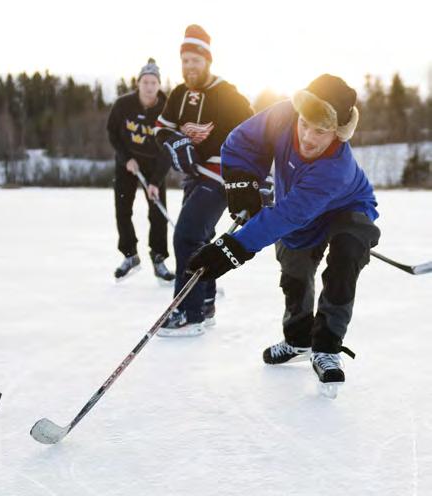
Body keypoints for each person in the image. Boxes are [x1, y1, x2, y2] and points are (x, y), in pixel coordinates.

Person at [187, 74, 381, 390]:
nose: (307, 137)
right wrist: (241, 183)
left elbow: (286, 215)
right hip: (299, 206)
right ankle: (298, 340)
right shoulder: (283, 114)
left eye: (321, 131)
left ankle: (327, 347)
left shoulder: (336, 169)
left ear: (338, 133)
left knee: (347, 256)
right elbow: (241, 141)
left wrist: (231, 249)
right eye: (304, 124)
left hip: (347, 207)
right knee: (294, 268)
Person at [154, 24, 253, 336]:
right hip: (194, 176)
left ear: (207, 60)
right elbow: (161, 129)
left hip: (221, 176)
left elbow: (256, 134)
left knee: (186, 236)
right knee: (199, 239)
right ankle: (206, 303)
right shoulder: (179, 94)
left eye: (195, 60)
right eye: (184, 61)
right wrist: (173, 141)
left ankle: (189, 313)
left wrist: (258, 180)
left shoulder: (228, 94)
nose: (189, 66)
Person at [107, 58, 174, 282]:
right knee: (123, 209)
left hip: (155, 165)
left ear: (159, 85)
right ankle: (130, 255)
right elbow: (113, 133)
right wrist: (125, 158)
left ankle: (158, 258)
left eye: (153, 82)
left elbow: (168, 148)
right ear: (138, 83)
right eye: (145, 81)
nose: (149, 86)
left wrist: (155, 181)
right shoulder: (123, 105)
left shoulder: (167, 110)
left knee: (157, 214)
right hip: (128, 164)